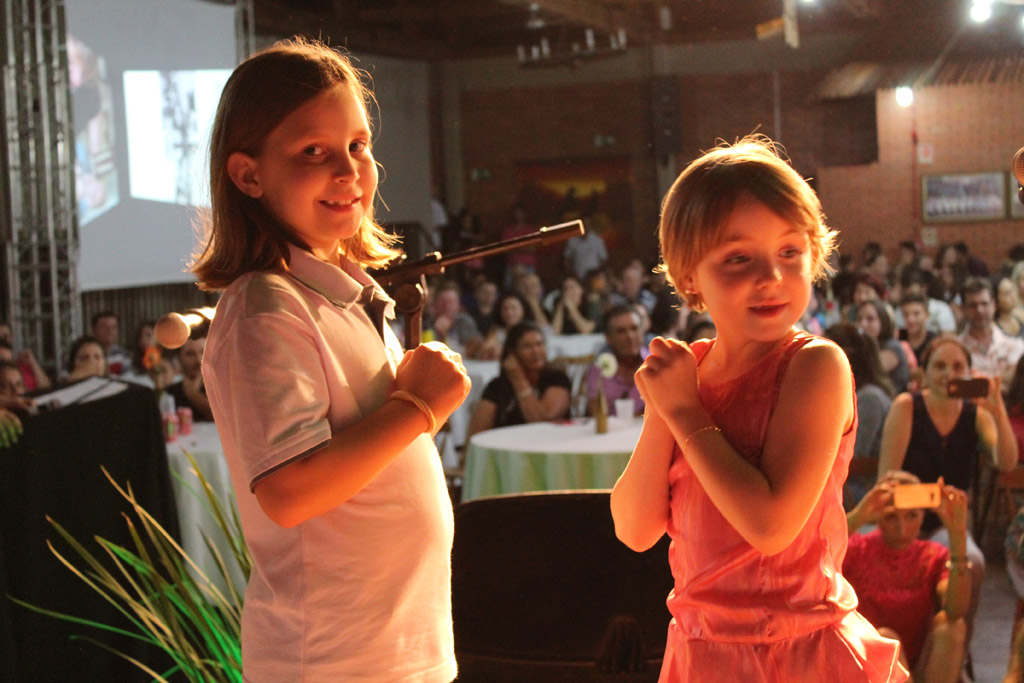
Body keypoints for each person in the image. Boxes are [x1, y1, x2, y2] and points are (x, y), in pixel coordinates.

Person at [192, 38, 469, 682]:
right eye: (313, 152)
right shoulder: (266, 307)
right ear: (249, 175)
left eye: (358, 145)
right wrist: (418, 406)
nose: (348, 171)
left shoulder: (343, 294)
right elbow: (289, 492)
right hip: (332, 661)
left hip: (399, 652)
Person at [609, 136, 906, 681]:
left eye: (790, 252)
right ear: (689, 276)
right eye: (738, 258)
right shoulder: (690, 374)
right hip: (701, 654)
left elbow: (770, 526)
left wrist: (686, 412)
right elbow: (634, 528)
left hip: (798, 652)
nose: (771, 276)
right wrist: (663, 411)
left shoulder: (815, 366)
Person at [878, 336, 1018, 651]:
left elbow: (1007, 462)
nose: (948, 374)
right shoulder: (907, 407)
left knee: (973, 563)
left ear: (968, 372)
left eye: (957, 366)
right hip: (902, 519)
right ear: (925, 372)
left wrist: (997, 409)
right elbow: (886, 481)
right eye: (940, 366)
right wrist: (935, 499)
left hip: (947, 525)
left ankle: (955, 650)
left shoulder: (974, 414)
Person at [844, 473, 971, 682]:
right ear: (877, 516)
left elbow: (956, 609)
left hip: (920, 663)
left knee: (952, 627)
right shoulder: (857, 549)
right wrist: (858, 516)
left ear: (923, 515)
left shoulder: (933, 555)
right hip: (867, 663)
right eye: (891, 517)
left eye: (911, 516)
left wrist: (958, 535)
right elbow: (814, 557)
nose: (902, 529)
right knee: (885, 638)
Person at [824, 323, 895, 507]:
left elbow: (855, 455)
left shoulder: (870, 398)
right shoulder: (855, 395)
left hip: (863, 487)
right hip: (849, 481)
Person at [466, 321, 571, 437]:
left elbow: (541, 422)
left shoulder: (557, 379)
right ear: (512, 352)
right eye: (527, 346)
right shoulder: (497, 386)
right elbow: (476, 434)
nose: (535, 351)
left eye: (539, 344)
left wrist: (518, 380)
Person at [959, 276, 1024, 387]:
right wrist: (1002, 378)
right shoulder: (957, 349)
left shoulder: (1015, 346)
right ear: (963, 309)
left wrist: (974, 379)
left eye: (984, 304)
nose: (980, 310)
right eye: (973, 306)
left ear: (994, 305)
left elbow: (1017, 383)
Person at [585, 304, 647, 418]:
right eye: (621, 331)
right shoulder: (599, 371)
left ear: (643, 331)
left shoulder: (658, 366)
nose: (630, 336)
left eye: (634, 329)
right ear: (608, 338)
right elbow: (595, 414)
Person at [857, 298, 911, 393]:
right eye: (860, 319)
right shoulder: (865, 347)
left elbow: (869, 372)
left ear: (883, 320)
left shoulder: (893, 347)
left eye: (870, 319)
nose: (863, 324)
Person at [164, 332, 213, 422]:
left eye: (203, 352)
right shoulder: (171, 393)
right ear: (179, 358)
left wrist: (193, 394)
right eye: (190, 354)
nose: (198, 360)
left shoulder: (221, 388)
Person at [897, 293, 936, 368]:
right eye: (906, 314)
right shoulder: (897, 338)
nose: (910, 319)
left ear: (927, 315)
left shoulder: (934, 342)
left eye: (916, 314)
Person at [90, 310, 131, 376]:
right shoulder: (85, 354)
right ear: (94, 330)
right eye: (104, 327)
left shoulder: (122, 354)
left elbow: (127, 378)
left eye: (113, 327)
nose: (109, 330)